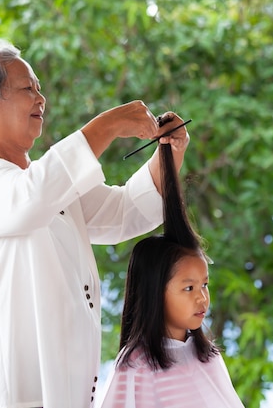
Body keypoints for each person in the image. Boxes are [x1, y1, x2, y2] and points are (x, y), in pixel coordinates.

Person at [0, 38, 190, 408]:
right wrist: (109, 124)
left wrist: (169, 154)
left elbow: (123, 214)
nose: (41, 99)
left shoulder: (46, 183)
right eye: (27, 89)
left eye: (40, 89)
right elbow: (30, 200)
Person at [96, 138, 245, 407]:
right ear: (154, 292)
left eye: (204, 285)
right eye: (188, 288)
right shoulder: (135, 367)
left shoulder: (208, 356)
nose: (202, 298)